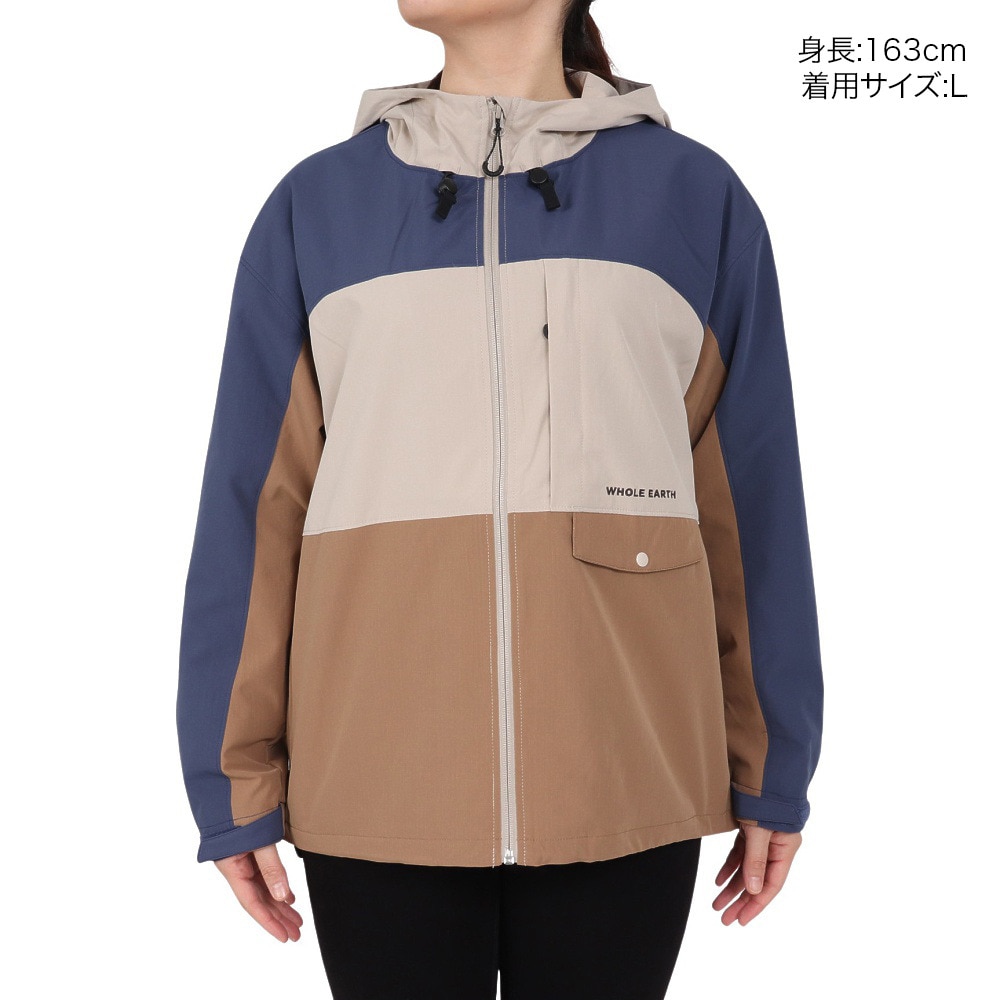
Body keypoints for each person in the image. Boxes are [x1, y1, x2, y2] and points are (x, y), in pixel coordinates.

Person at [175, 0, 825, 996]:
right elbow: (253, 508)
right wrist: (232, 779)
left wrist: (772, 761)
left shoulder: (692, 197)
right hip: (374, 775)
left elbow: (753, 501)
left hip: (624, 768)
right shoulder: (317, 206)